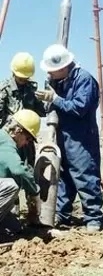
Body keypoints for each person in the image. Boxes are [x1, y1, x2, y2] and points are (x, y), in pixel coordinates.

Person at [35, 44, 103, 232]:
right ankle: (62, 215)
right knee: (64, 177)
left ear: (63, 67)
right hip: (64, 136)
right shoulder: (60, 81)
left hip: (81, 138)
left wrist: (54, 99)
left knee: (84, 174)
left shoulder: (84, 80)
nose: (49, 73)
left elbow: (79, 108)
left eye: (51, 70)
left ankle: (93, 218)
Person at [0, 52, 46, 215]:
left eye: (26, 78)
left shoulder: (31, 90)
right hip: (12, 137)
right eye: (21, 77)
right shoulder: (4, 90)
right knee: (10, 173)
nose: (24, 80)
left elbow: (42, 112)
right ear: (14, 73)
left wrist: (45, 98)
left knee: (28, 171)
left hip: (26, 138)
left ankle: (33, 210)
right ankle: (11, 210)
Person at [0, 109, 42, 233]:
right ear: (18, 131)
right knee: (11, 185)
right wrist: (35, 193)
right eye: (28, 139)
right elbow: (19, 171)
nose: (26, 144)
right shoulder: (6, 144)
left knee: (14, 228)